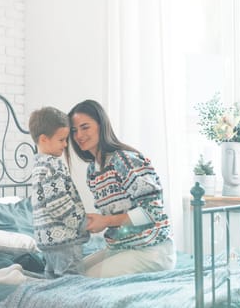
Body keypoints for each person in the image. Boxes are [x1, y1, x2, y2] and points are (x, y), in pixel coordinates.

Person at [66, 99, 176, 278]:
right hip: (121, 247)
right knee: (70, 274)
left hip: (150, 249)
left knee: (83, 282)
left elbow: (152, 212)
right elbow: (115, 216)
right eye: (74, 130)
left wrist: (106, 221)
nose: (78, 135)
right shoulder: (93, 171)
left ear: (102, 126)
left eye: (85, 127)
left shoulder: (124, 160)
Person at [28, 106, 90, 278]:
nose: (65, 144)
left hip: (47, 241)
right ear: (44, 139)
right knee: (72, 286)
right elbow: (59, 204)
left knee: (52, 284)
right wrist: (84, 222)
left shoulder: (37, 166)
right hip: (65, 241)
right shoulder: (53, 164)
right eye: (62, 139)